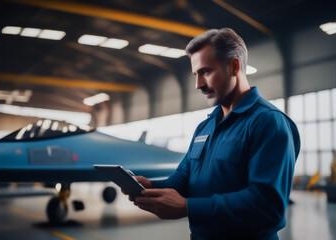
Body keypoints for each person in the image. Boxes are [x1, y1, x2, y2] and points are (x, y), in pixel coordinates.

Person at [126, 28, 301, 240]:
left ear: (234, 66)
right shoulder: (205, 127)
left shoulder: (268, 122)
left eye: (206, 72)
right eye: (195, 75)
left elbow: (267, 206)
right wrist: (152, 187)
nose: (198, 84)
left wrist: (189, 208)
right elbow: (184, 178)